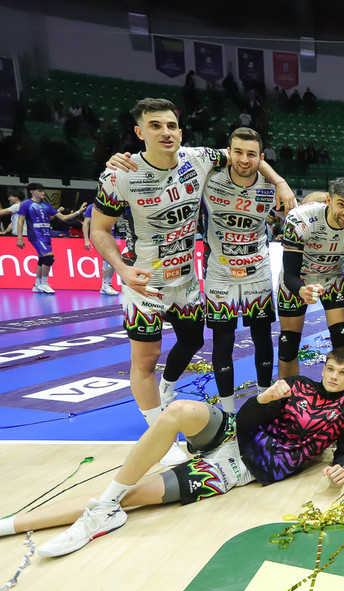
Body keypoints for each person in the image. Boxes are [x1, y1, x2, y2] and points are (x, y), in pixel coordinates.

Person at [0, 349, 344, 558]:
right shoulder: (297, 384)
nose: (333, 376)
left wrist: (343, 465)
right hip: (235, 431)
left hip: (241, 468)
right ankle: (109, 504)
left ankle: (13, 524)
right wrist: (263, 399)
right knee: (178, 411)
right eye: (329, 368)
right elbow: (250, 417)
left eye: (342, 373)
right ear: (324, 367)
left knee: (134, 497)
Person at [91, 98, 294, 466]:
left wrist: (279, 181)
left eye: (171, 126)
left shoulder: (199, 158)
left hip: (186, 281)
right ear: (139, 132)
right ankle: (158, 433)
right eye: (155, 126)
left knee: (193, 340)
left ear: (180, 132)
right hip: (144, 282)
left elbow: (246, 155)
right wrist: (121, 269)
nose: (165, 132)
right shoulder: (119, 174)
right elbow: (98, 229)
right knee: (146, 359)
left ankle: (166, 389)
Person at [201, 127, 280, 413]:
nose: (244, 160)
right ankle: (227, 411)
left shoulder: (271, 188)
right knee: (223, 341)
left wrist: (280, 181)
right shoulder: (209, 179)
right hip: (219, 273)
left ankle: (263, 401)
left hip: (256, 272)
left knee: (262, 337)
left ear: (261, 157)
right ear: (228, 153)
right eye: (238, 152)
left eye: (251, 154)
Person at [277, 175, 344, 378]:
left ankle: (336, 397)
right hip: (299, 279)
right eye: (341, 204)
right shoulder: (300, 218)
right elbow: (290, 273)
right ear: (329, 201)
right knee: (288, 344)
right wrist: (301, 289)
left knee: (342, 340)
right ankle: (288, 397)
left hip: (333, 276)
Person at [16, 183, 86, 293]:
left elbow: (63, 218)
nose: (43, 193)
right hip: (35, 235)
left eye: (43, 190)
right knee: (49, 257)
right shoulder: (26, 204)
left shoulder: (46, 205)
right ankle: (44, 283)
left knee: (42, 259)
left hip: (46, 235)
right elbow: (20, 221)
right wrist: (19, 237)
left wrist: (79, 212)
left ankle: (37, 284)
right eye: (40, 191)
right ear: (32, 192)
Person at [81, 203, 119, 296]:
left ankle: (105, 285)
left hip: (112, 235)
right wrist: (86, 240)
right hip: (100, 236)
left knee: (108, 262)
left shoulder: (113, 205)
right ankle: (106, 285)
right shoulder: (92, 207)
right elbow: (86, 223)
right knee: (112, 260)